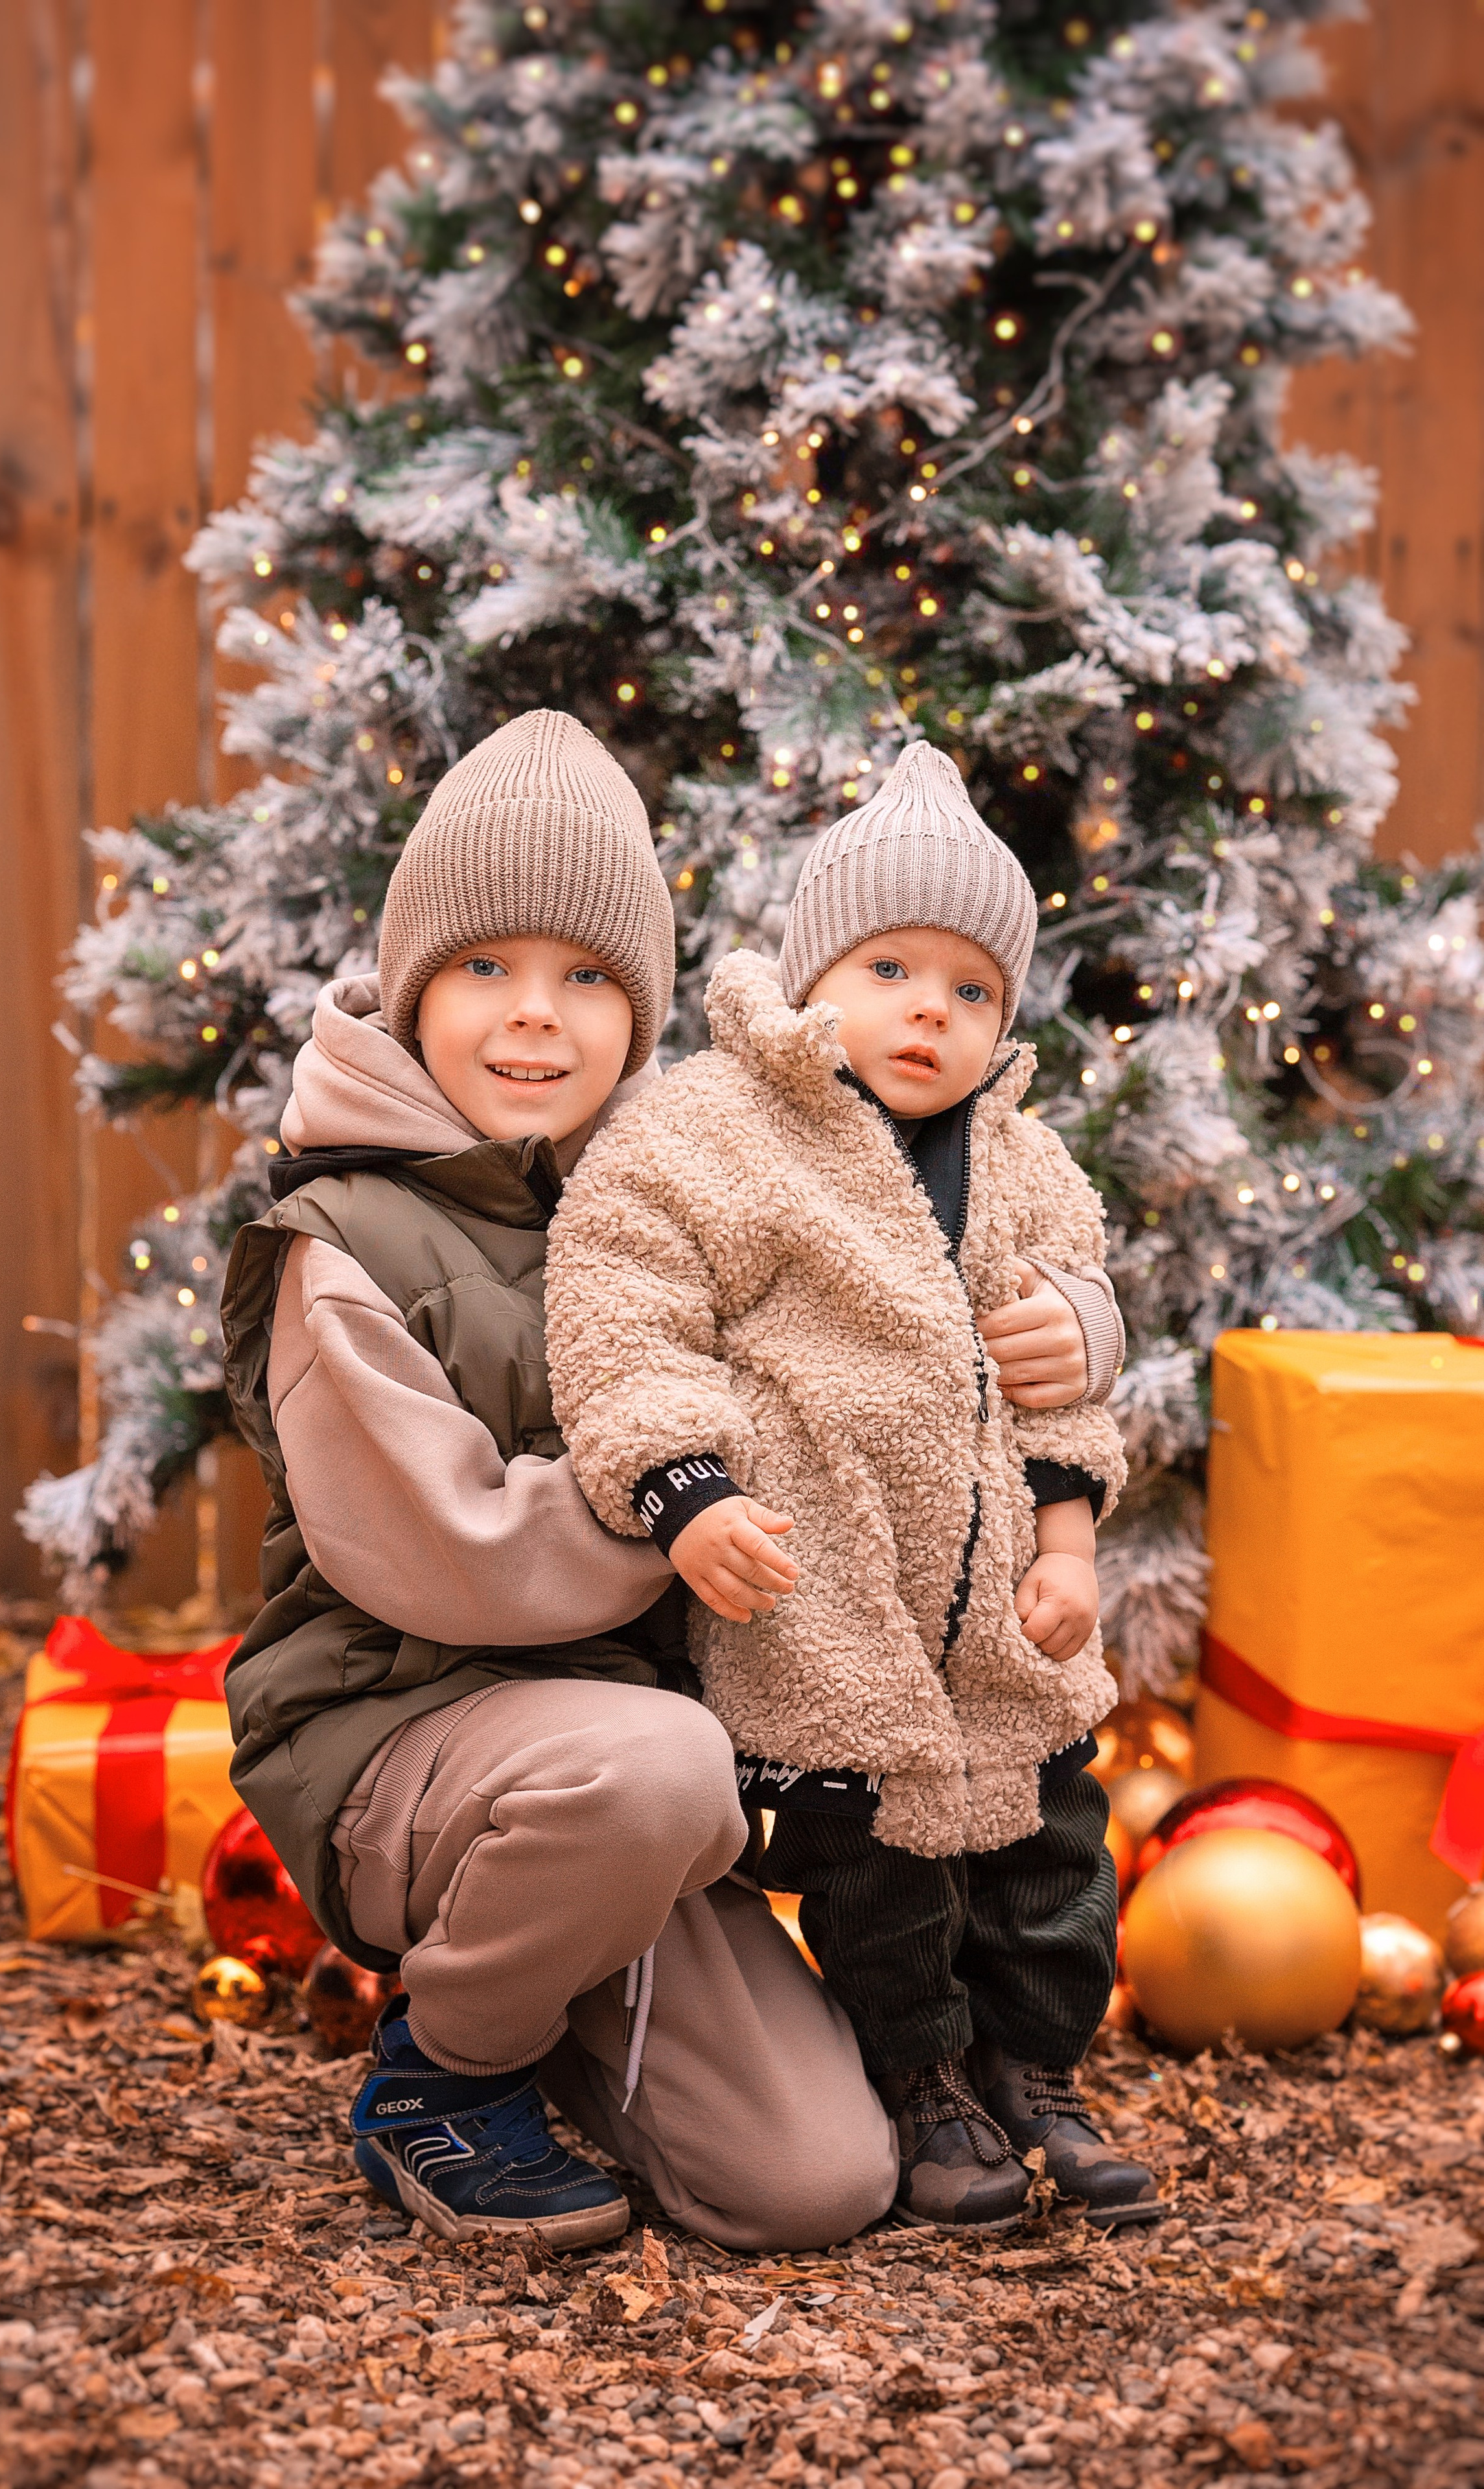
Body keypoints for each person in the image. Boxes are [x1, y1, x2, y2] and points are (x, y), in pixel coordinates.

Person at [220, 710, 1117, 2254]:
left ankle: (558, 1981)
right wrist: (720, 1505)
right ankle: (443, 2076)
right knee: (649, 1774)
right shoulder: (341, 1245)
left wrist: (1072, 1332)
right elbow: (450, 1553)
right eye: (484, 969)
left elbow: (930, 1266)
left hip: (639, 1781)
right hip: (409, 1734)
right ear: (411, 984)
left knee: (809, 2183)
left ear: (636, 1016)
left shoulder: (680, 1174)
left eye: (586, 980)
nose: (533, 1020)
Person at [547, 740, 1159, 2235]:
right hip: (824, 1595)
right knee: (879, 1873)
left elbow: (1056, 1380)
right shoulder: (712, 1130)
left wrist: (1069, 1538)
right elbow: (621, 1310)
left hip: (1003, 1608)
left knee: (1050, 1863)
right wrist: (684, 1490)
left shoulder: (1021, 1162)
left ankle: (1031, 2067)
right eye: (888, 968)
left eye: (969, 992)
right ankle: (922, 2082)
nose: (926, 1013)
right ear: (816, 970)